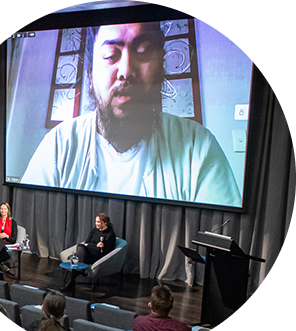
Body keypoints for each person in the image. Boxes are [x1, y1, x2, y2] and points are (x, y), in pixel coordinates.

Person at [21, 22, 241, 207]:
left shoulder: (198, 148)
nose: (126, 71)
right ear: (90, 75)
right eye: (110, 55)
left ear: (161, 68)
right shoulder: (59, 146)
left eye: (143, 51)